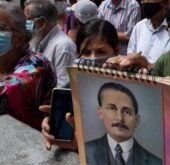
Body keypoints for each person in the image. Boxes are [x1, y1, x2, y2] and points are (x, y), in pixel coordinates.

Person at [40, 19, 120, 150]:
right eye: (86, 53)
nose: (92, 59)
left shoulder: (130, 84)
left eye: (101, 52)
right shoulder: (73, 86)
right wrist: (53, 125)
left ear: (116, 50)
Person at [85, 82, 163, 165]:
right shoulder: (85, 151)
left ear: (137, 120)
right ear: (100, 112)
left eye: (127, 112)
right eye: (112, 108)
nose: (120, 118)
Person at [0, 1, 56, 130]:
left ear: (18, 39)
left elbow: (5, 93)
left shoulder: (36, 65)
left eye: (0, 28)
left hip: (33, 145)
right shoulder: (3, 59)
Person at [24, 0, 77, 88]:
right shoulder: (35, 40)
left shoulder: (63, 46)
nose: (25, 24)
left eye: (28, 20)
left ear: (42, 23)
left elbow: (63, 88)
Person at [127, 0, 170, 64]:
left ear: (164, 3)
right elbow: (129, 57)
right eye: (144, 0)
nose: (145, 2)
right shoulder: (139, 27)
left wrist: (146, 64)